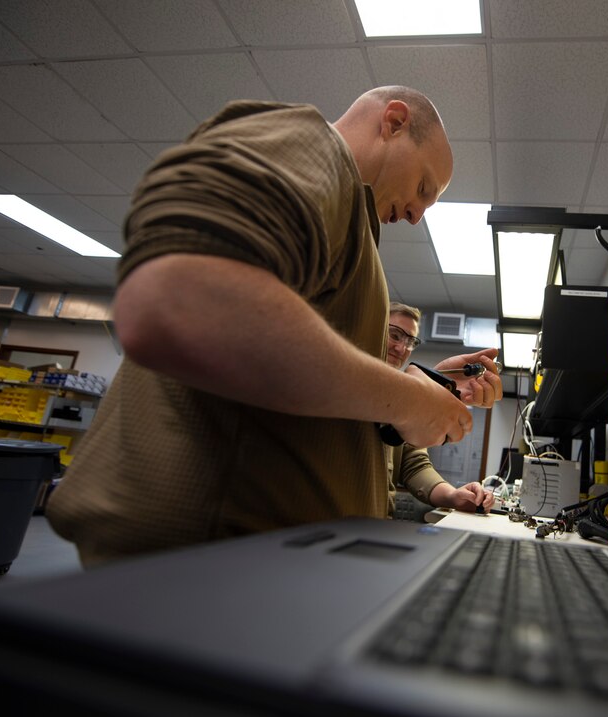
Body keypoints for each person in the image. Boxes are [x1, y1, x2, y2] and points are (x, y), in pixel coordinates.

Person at [46, 86, 502, 567]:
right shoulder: (311, 148)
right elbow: (180, 304)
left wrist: (421, 389)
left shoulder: (352, 224)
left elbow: (293, 384)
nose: (415, 214)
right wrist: (407, 399)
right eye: (424, 188)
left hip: (264, 566)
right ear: (392, 123)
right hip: (203, 567)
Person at [385, 302, 495, 515]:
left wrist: (453, 496)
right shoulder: (339, 379)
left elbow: (414, 464)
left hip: (372, 529)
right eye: (395, 335)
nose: (401, 348)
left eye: (410, 342)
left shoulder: (400, 400)